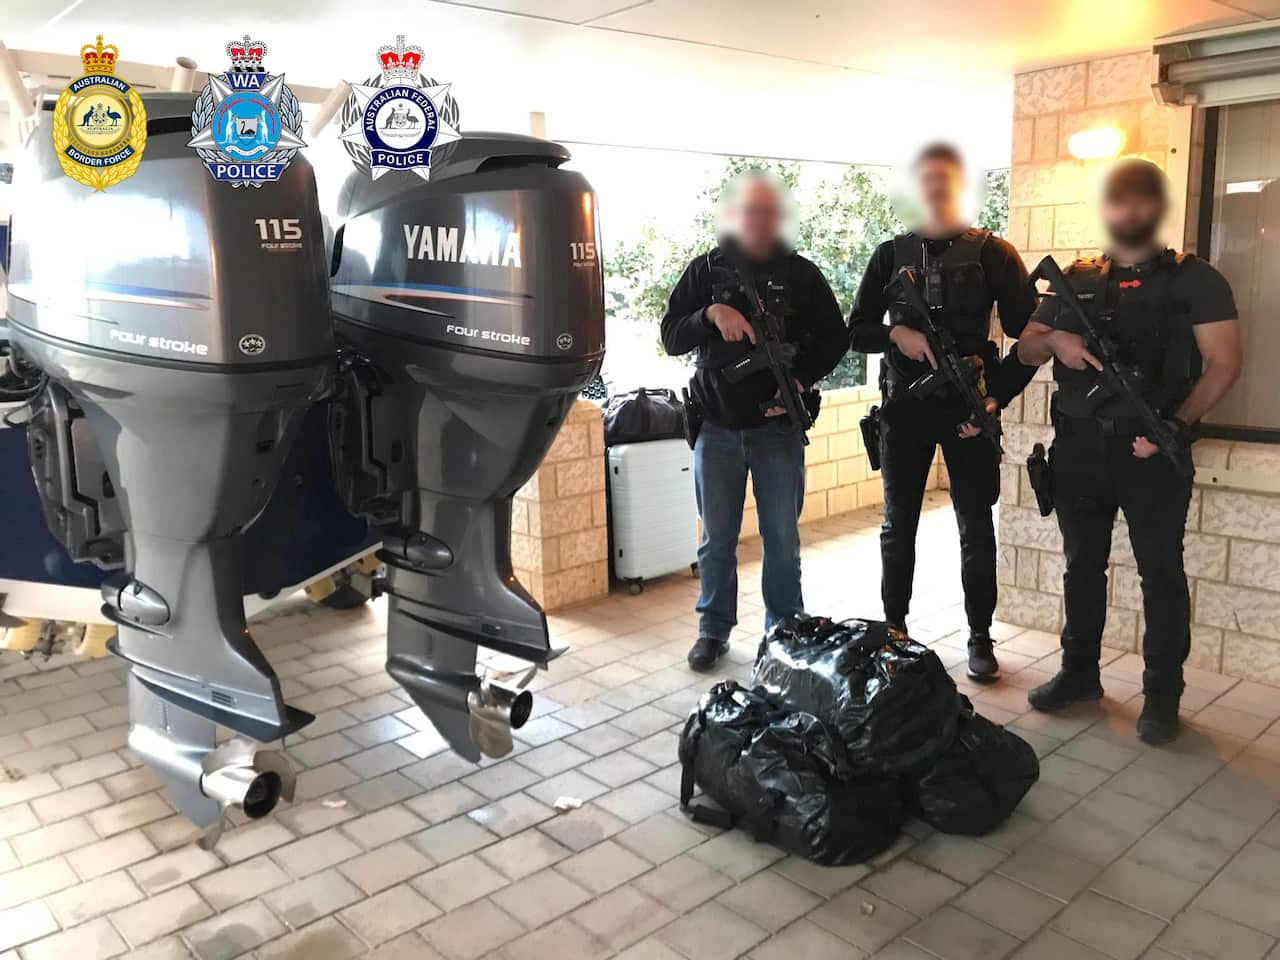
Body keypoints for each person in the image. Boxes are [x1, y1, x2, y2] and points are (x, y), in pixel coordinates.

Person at [1013, 159, 1241, 744]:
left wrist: (1176, 424)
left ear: (1157, 209)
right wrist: (1057, 338)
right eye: (1119, 200)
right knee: (1081, 566)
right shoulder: (1077, 277)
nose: (1129, 210)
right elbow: (1025, 351)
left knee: (1160, 574)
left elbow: (1224, 362)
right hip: (1080, 449)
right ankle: (1078, 674)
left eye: (1142, 199)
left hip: (1150, 452)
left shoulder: (1196, 279)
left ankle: (1162, 697)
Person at [849, 142, 1037, 681]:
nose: (934, 188)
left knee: (975, 526)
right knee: (897, 526)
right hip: (905, 409)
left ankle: (979, 636)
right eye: (925, 180)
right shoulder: (891, 254)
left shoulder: (993, 254)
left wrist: (996, 396)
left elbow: (1031, 333)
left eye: (944, 179)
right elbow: (856, 329)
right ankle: (894, 632)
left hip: (968, 411)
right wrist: (896, 333)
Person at [661, 171, 848, 671]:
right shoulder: (705, 271)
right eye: (751, 211)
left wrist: (800, 384)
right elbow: (671, 334)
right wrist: (710, 315)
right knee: (716, 539)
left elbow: (836, 339)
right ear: (734, 215)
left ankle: (784, 631)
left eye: (769, 212)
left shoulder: (801, 274)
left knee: (781, 539)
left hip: (777, 431)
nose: (760, 220)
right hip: (716, 428)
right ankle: (712, 630)